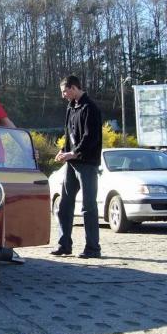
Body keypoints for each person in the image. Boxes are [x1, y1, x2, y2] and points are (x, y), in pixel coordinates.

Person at [51, 75, 102, 259]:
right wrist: (63, 151)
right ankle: (64, 244)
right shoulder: (70, 107)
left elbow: (91, 138)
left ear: (73, 88)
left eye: (64, 91)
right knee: (64, 204)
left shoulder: (90, 108)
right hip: (71, 164)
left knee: (88, 206)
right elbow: (68, 134)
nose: (63, 95)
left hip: (87, 164)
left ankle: (93, 248)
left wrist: (74, 153)